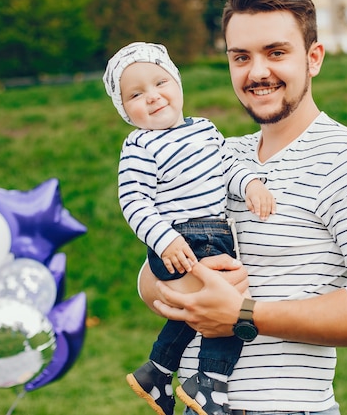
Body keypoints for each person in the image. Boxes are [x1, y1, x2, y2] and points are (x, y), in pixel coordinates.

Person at [138, 0, 347, 415]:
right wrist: (176, 278)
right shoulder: (216, 154)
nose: (257, 72)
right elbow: (149, 279)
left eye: (276, 52)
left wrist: (242, 313)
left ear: (313, 58)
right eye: (241, 57)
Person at [103, 42, 276, 415]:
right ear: (125, 110)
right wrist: (164, 238)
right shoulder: (139, 144)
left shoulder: (206, 131)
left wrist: (250, 184)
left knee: (193, 310)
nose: (152, 97)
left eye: (160, 82)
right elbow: (134, 202)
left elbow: (228, 167)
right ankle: (209, 383)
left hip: (214, 233)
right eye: (136, 94)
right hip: (182, 239)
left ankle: (158, 371)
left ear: (178, 83)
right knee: (233, 313)